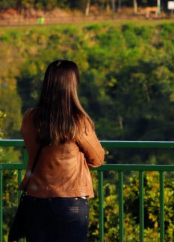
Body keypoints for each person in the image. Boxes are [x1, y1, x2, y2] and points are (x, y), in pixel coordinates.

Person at [18, 59, 105, 242]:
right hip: (70, 202)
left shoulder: (30, 117)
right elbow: (97, 159)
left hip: (36, 199)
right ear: (72, 86)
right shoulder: (78, 121)